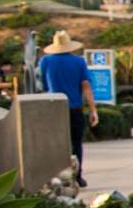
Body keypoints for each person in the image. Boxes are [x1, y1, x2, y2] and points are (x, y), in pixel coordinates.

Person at [36, 31, 98, 187]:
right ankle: (76, 176)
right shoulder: (79, 62)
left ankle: (55, 176)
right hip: (74, 108)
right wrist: (93, 110)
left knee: (54, 143)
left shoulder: (45, 61)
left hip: (52, 108)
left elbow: (41, 86)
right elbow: (86, 86)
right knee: (76, 143)